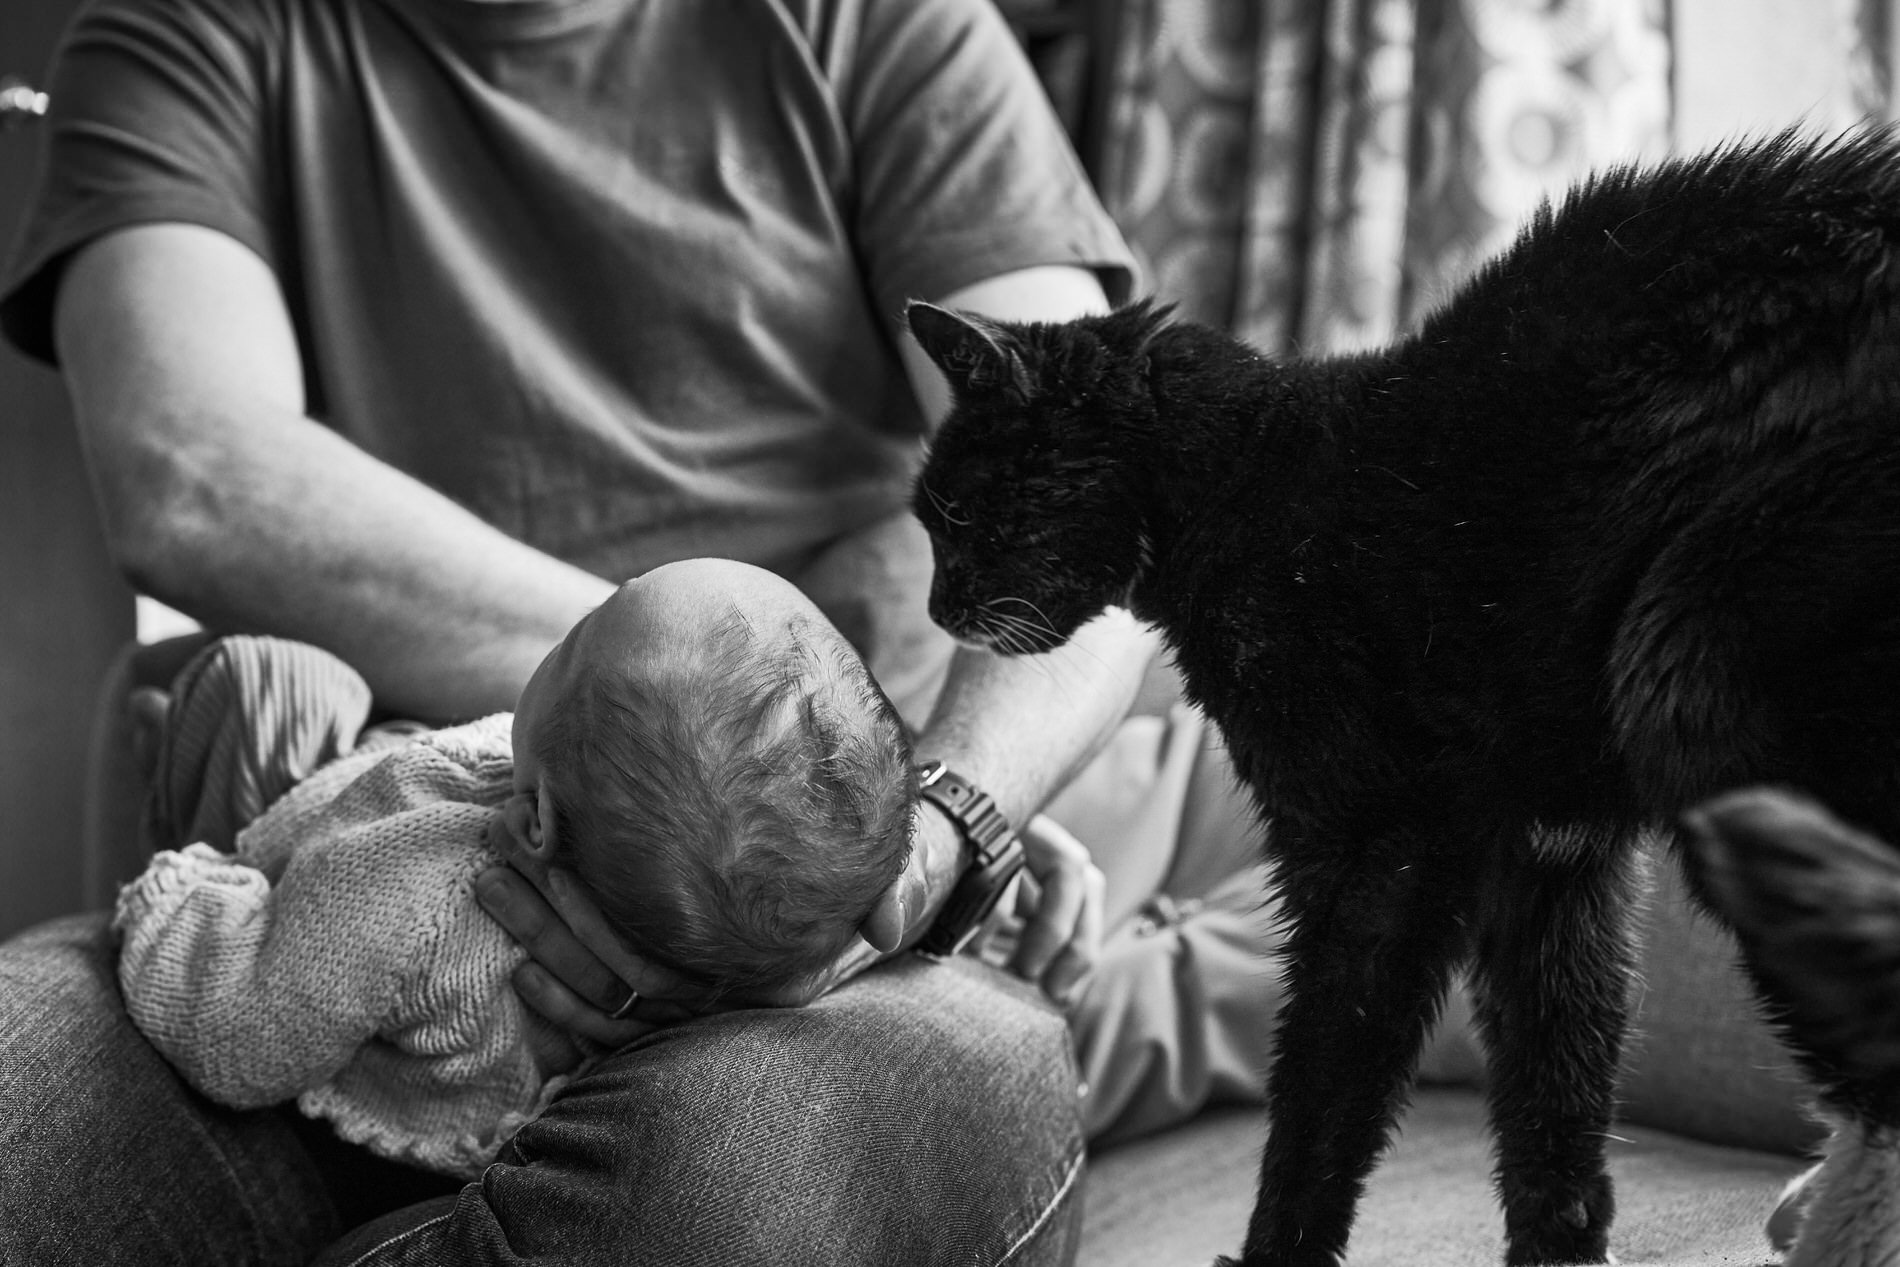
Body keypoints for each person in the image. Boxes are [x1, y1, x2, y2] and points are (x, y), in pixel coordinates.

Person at [0, 0, 1245, 1263]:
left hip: (838, 939)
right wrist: (694, 740)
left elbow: (1117, 488)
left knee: (728, 1178)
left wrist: (926, 830)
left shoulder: (875, 23)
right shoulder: (194, 30)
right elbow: (194, 475)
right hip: (339, 883)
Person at [113, 559, 918, 1181]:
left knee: (267, 684)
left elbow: (238, 1033)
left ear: (534, 824)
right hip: (444, 1032)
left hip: (305, 941)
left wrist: (178, 892)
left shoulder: (415, 883)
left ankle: (191, 786)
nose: (570, 622)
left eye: (579, 634)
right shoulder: (709, 929)